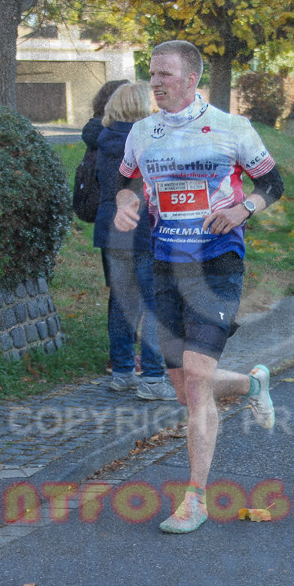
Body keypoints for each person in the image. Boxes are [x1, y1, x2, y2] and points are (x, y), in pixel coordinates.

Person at [113, 40, 284, 534]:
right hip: (164, 266)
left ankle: (195, 499)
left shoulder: (233, 129)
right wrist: (125, 203)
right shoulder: (142, 133)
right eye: (151, 74)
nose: (155, 82)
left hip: (217, 264)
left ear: (191, 78)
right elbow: (121, 181)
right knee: (186, 387)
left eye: (164, 74)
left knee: (196, 373)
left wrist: (241, 209)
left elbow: (273, 184)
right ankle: (253, 383)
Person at [92, 82, 175, 401]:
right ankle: (153, 378)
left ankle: (123, 372)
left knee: (121, 302)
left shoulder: (103, 138)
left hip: (111, 229)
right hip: (143, 228)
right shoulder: (151, 138)